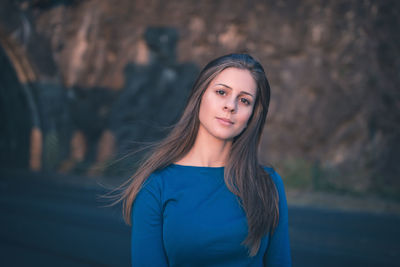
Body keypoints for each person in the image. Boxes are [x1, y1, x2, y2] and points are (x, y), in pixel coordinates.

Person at [118, 53, 292, 266]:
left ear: (252, 115)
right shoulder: (155, 186)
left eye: (244, 100)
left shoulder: (268, 184)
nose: (231, 106)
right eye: (221, 92)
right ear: (199, 95)